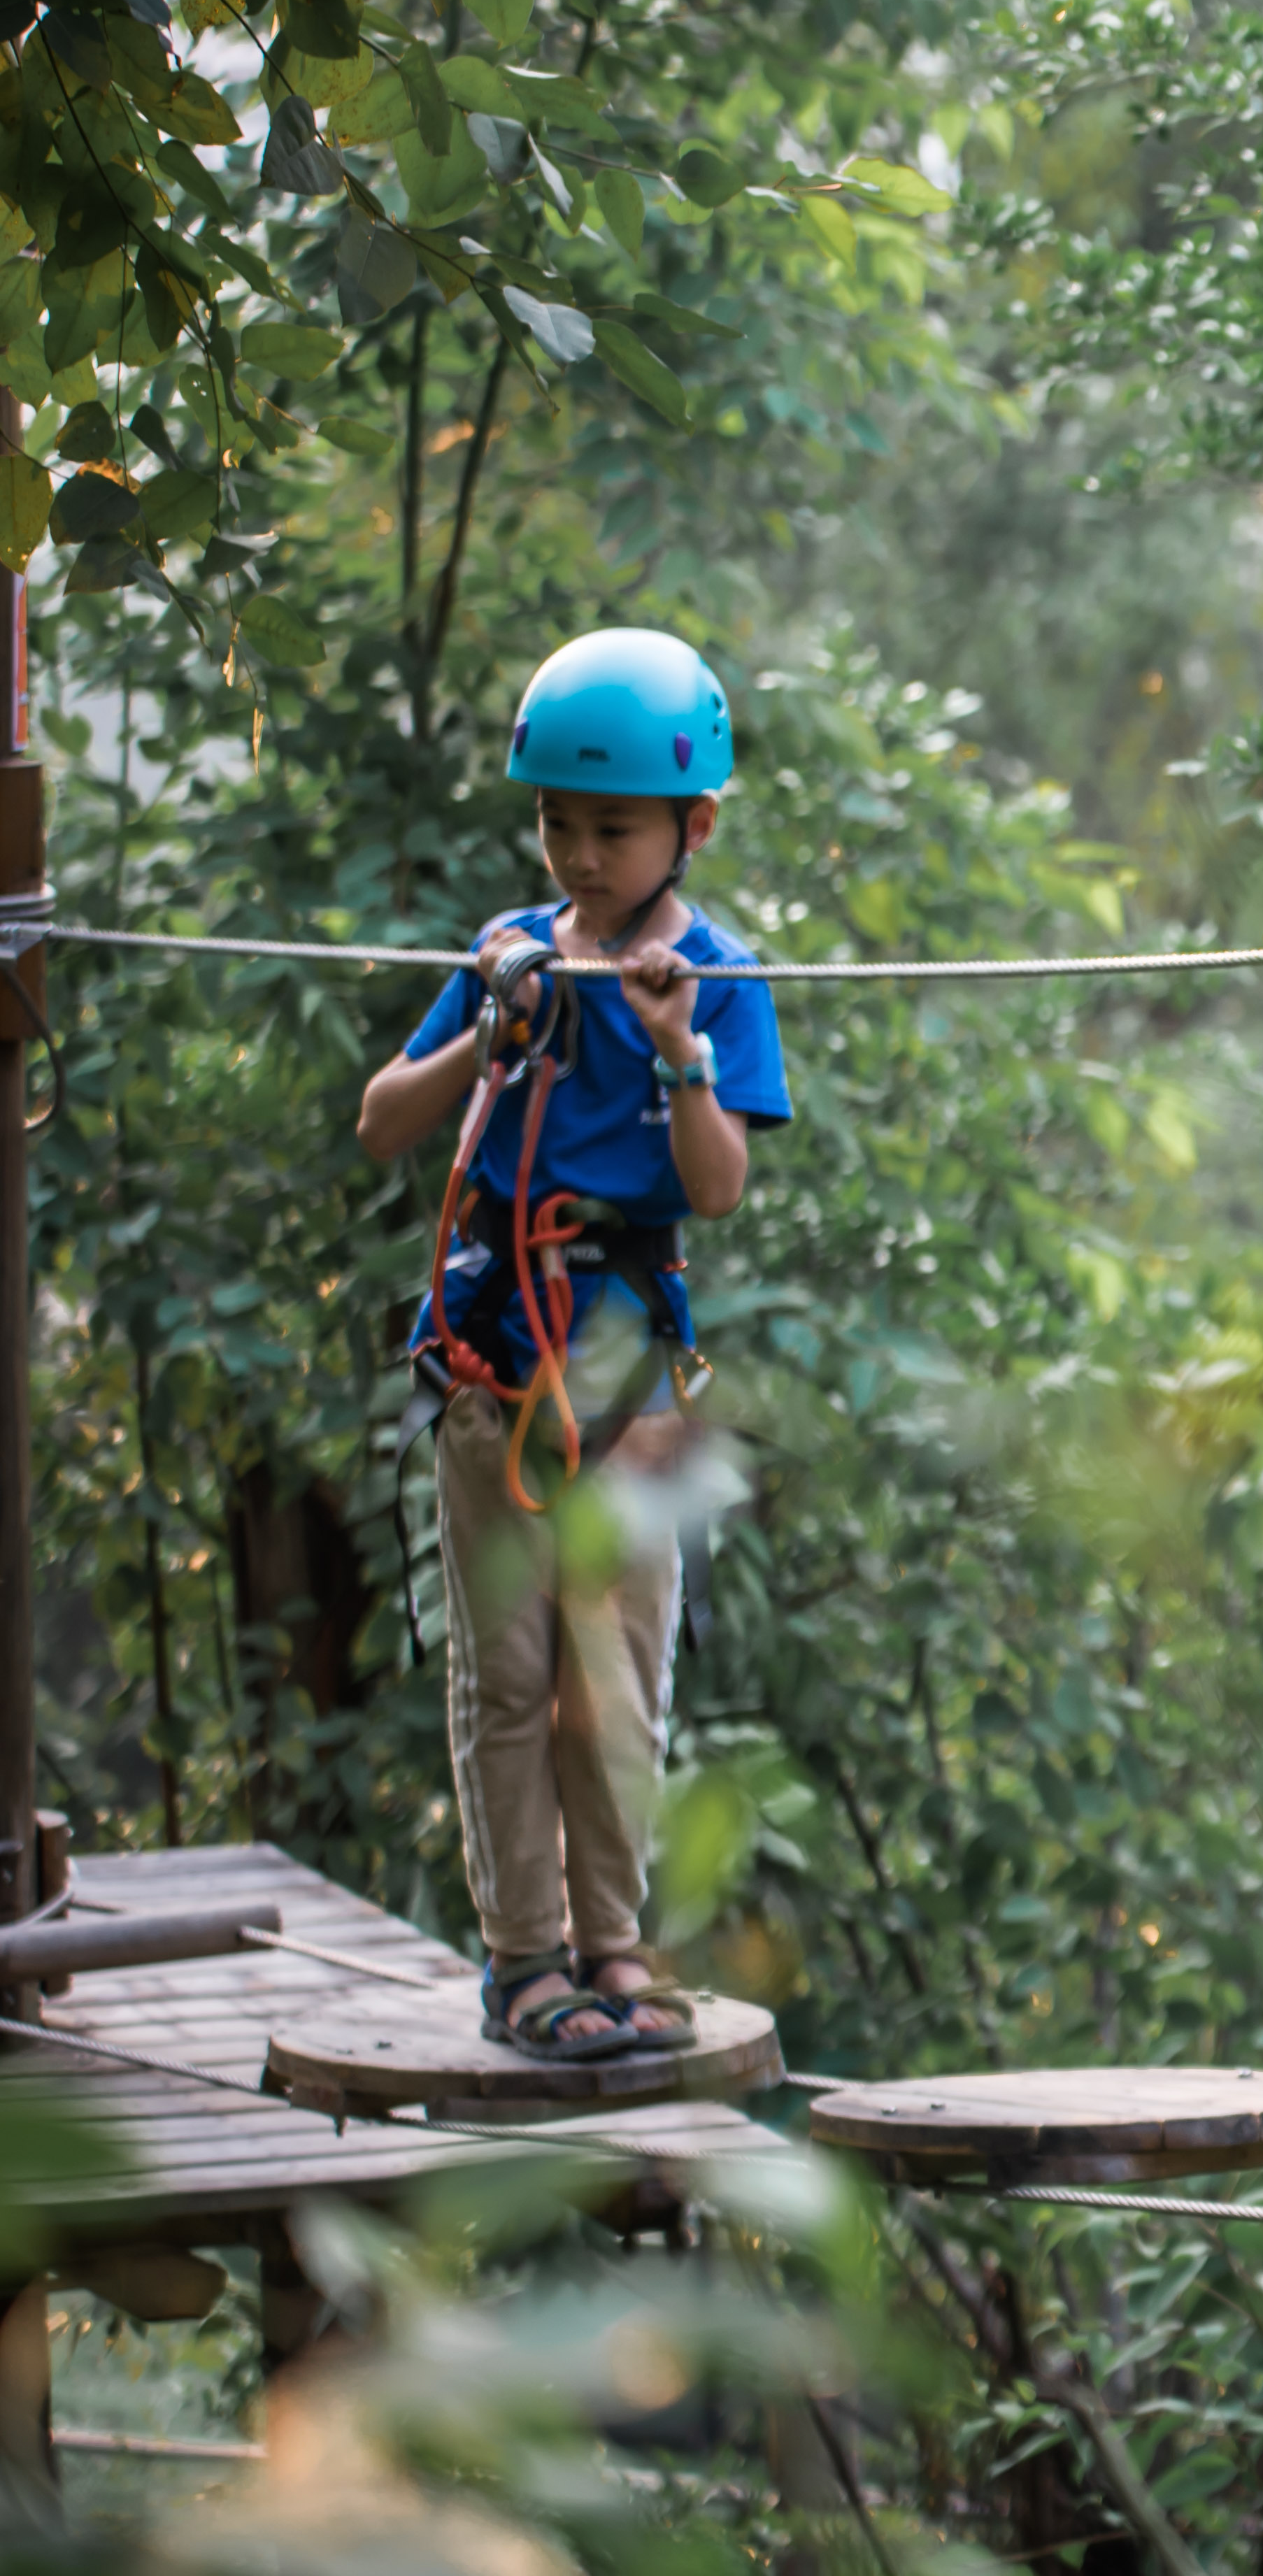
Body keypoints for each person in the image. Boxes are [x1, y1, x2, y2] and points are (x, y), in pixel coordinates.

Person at [354, 630, 790, 2065]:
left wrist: (677, 1050)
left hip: (624, 1376)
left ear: (692, 825)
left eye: (610, 827)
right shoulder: (512, 962)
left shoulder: (715, 976)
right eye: (556, 822)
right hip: (494, 1361)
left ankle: (615, 1942)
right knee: (509, 1673)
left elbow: (715, 1186)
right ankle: (528, 1960)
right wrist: (485, 1035)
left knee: (614, 1676)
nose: (578, 853)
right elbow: (384, 1118)